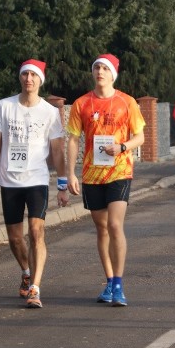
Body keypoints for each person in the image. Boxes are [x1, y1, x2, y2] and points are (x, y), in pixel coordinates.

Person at [0, 59, 69, 309]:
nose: (28, 79)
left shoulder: (49, 113)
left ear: (41, 80)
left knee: (37, 231)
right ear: (20, 78)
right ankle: (26, 271)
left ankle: (35, 288)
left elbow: (57, 151)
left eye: (33, 75)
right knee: (15, 238)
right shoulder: (5, 106)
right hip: (9, 181)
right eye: (25, 74)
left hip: (37, 179)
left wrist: (62, 185)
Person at [66, 54, 146, 307]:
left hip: (120, 171)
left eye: (105, 68)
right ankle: (109, 281)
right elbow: (72, 139)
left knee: (114, 225)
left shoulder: (127, 102)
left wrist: (122, 147)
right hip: (92, 174)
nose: (100, 72)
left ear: (113, 74)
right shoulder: (82, 104)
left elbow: (140, 137)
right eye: (96, 68)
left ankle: (119, 284)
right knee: (101, 228)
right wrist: (69, 173)